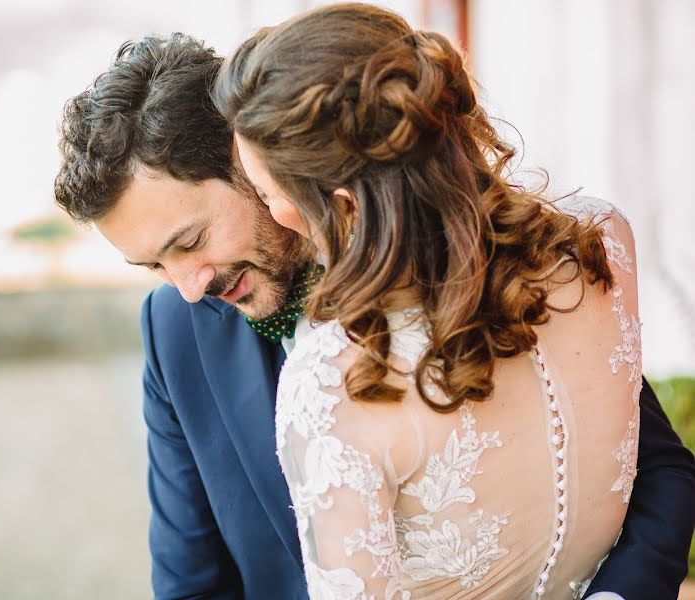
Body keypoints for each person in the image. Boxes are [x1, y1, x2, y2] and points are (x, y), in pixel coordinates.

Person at [53, 32, 695, 600]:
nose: (187, 288)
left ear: (252, 160)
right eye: (153, 266)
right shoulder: (175, 331)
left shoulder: (501, 265)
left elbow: (650, 463)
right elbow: (191, 583)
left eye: (189, 242)